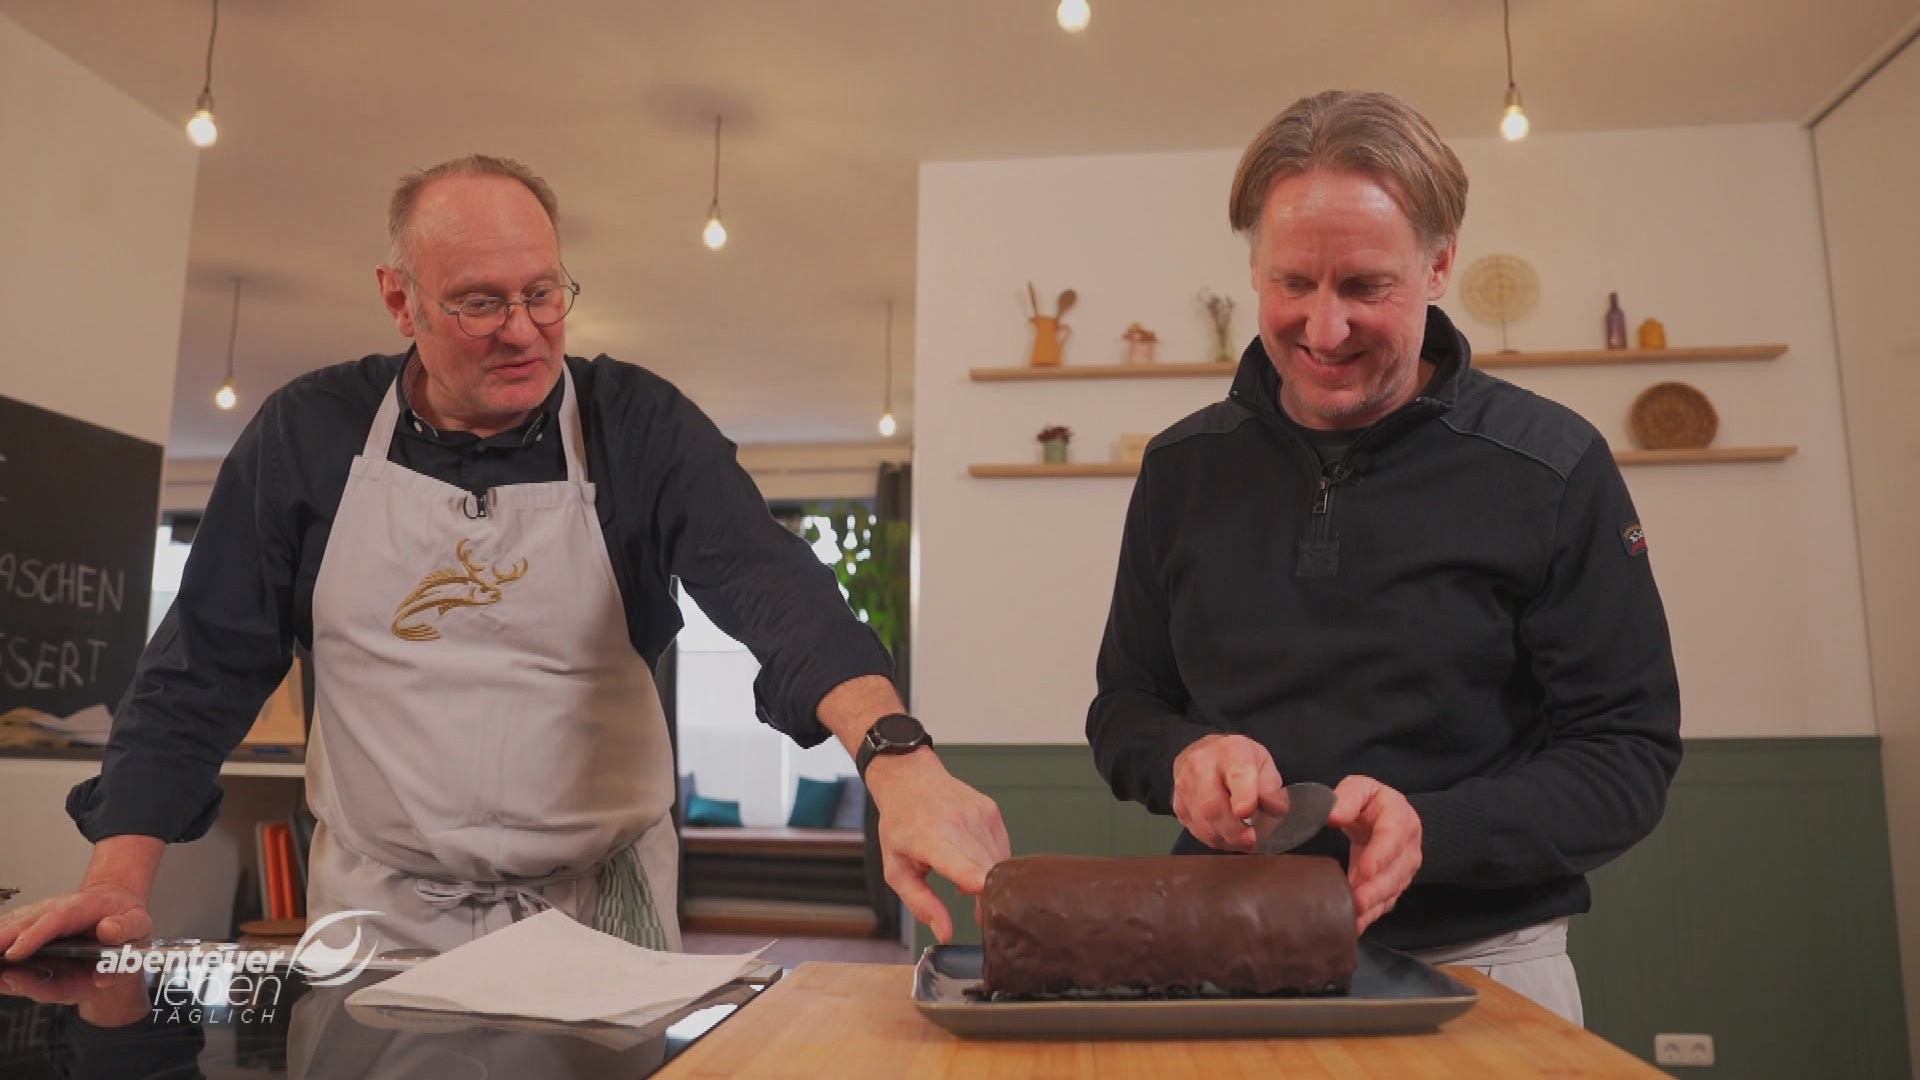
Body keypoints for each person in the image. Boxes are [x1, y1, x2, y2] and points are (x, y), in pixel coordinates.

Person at [0, 154, 1008, 960]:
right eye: (481, 303)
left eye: (543, 292)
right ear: (402, 303)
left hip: (599, 912)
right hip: (379, 916)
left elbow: (775, 587)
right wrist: (113, 888)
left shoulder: (636, 426)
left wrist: (897, 759)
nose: (525, 332)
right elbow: (198, 672)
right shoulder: (307, 436)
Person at [1085, 91, 1682, 1025]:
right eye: (1292, 285)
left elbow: (1627, 756)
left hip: (1485, 966)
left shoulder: (1554, 466)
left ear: (1440, 264)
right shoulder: (1179, 470)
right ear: (1253, 266)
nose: (1324, 333)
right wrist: (1182, 759)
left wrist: (1432, 830)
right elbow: (1123, 708)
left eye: (1366, 287)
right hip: (1221, 944)